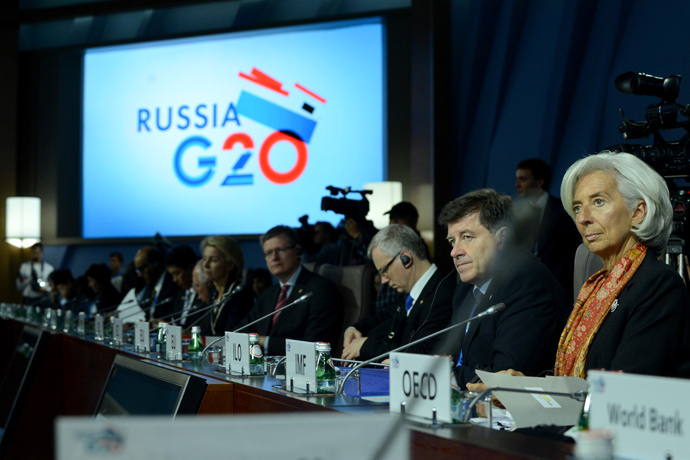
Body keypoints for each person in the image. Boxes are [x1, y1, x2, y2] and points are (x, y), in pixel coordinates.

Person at [555, 151, 689, 377]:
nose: (582, 218)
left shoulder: (659, 285)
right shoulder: (598, 287)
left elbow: (626, 388)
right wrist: (521, 389)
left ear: (637, 212)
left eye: (598, 202)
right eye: (577, 207)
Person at [438, 189, 569, 387]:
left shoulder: (526, 284)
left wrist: (440, 373)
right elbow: (452, 357)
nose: (455, 252)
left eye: (467, 237)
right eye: (452, 241)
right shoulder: (466, 289)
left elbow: (504, 377)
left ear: (502, 238)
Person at [341, 224, 454, 361]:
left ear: (405, 258)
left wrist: (366, 346)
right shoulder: (412, 294)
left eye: (384, 270)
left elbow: (423, 351)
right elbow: (384, 317)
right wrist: (354, 329)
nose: (383, 280)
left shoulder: (443, 294)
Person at [239, 225, 343, 356]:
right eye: (268, 253)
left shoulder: (320, 290)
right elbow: (242, 330)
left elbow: (315, 345)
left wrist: (264, 341)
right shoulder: (267, 295)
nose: (274, 257)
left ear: (298, 251)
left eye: (280, 250)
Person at [514, 158, 581, 299]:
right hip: (529, 287)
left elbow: (572, 251)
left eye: (523, 179)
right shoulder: (518, 215)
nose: (517, 185)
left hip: (560, 289)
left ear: (539, 182)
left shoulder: (562, 210)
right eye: (517, 179)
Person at [198, 235, 254, 335]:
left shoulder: (239, 294)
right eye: (204, 259)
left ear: (230, 265)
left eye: (213, 260)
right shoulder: (214, 292)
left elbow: (230, 335)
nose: (205, 265)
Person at [133, 246, 179, 319]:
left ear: (155, 264)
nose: (139, 275)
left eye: (141, 269)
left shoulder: (173, 284)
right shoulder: (149, 287)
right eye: (137, 270)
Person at [164, 245, 201, 328]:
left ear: (191, 268)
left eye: (177, 273)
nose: (174, 280)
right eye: (172, 275)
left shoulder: (204, 294)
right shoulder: (180, 293)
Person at [16, 242, 54, 306]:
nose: (34, 255)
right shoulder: (25, 266)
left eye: (36, 253)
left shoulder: (49, 268)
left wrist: (44, 288)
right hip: (28, 299)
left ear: (42, 252)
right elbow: (19, 287)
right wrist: (24, 281)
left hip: (42, 299)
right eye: (32, 253)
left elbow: (52, 287)